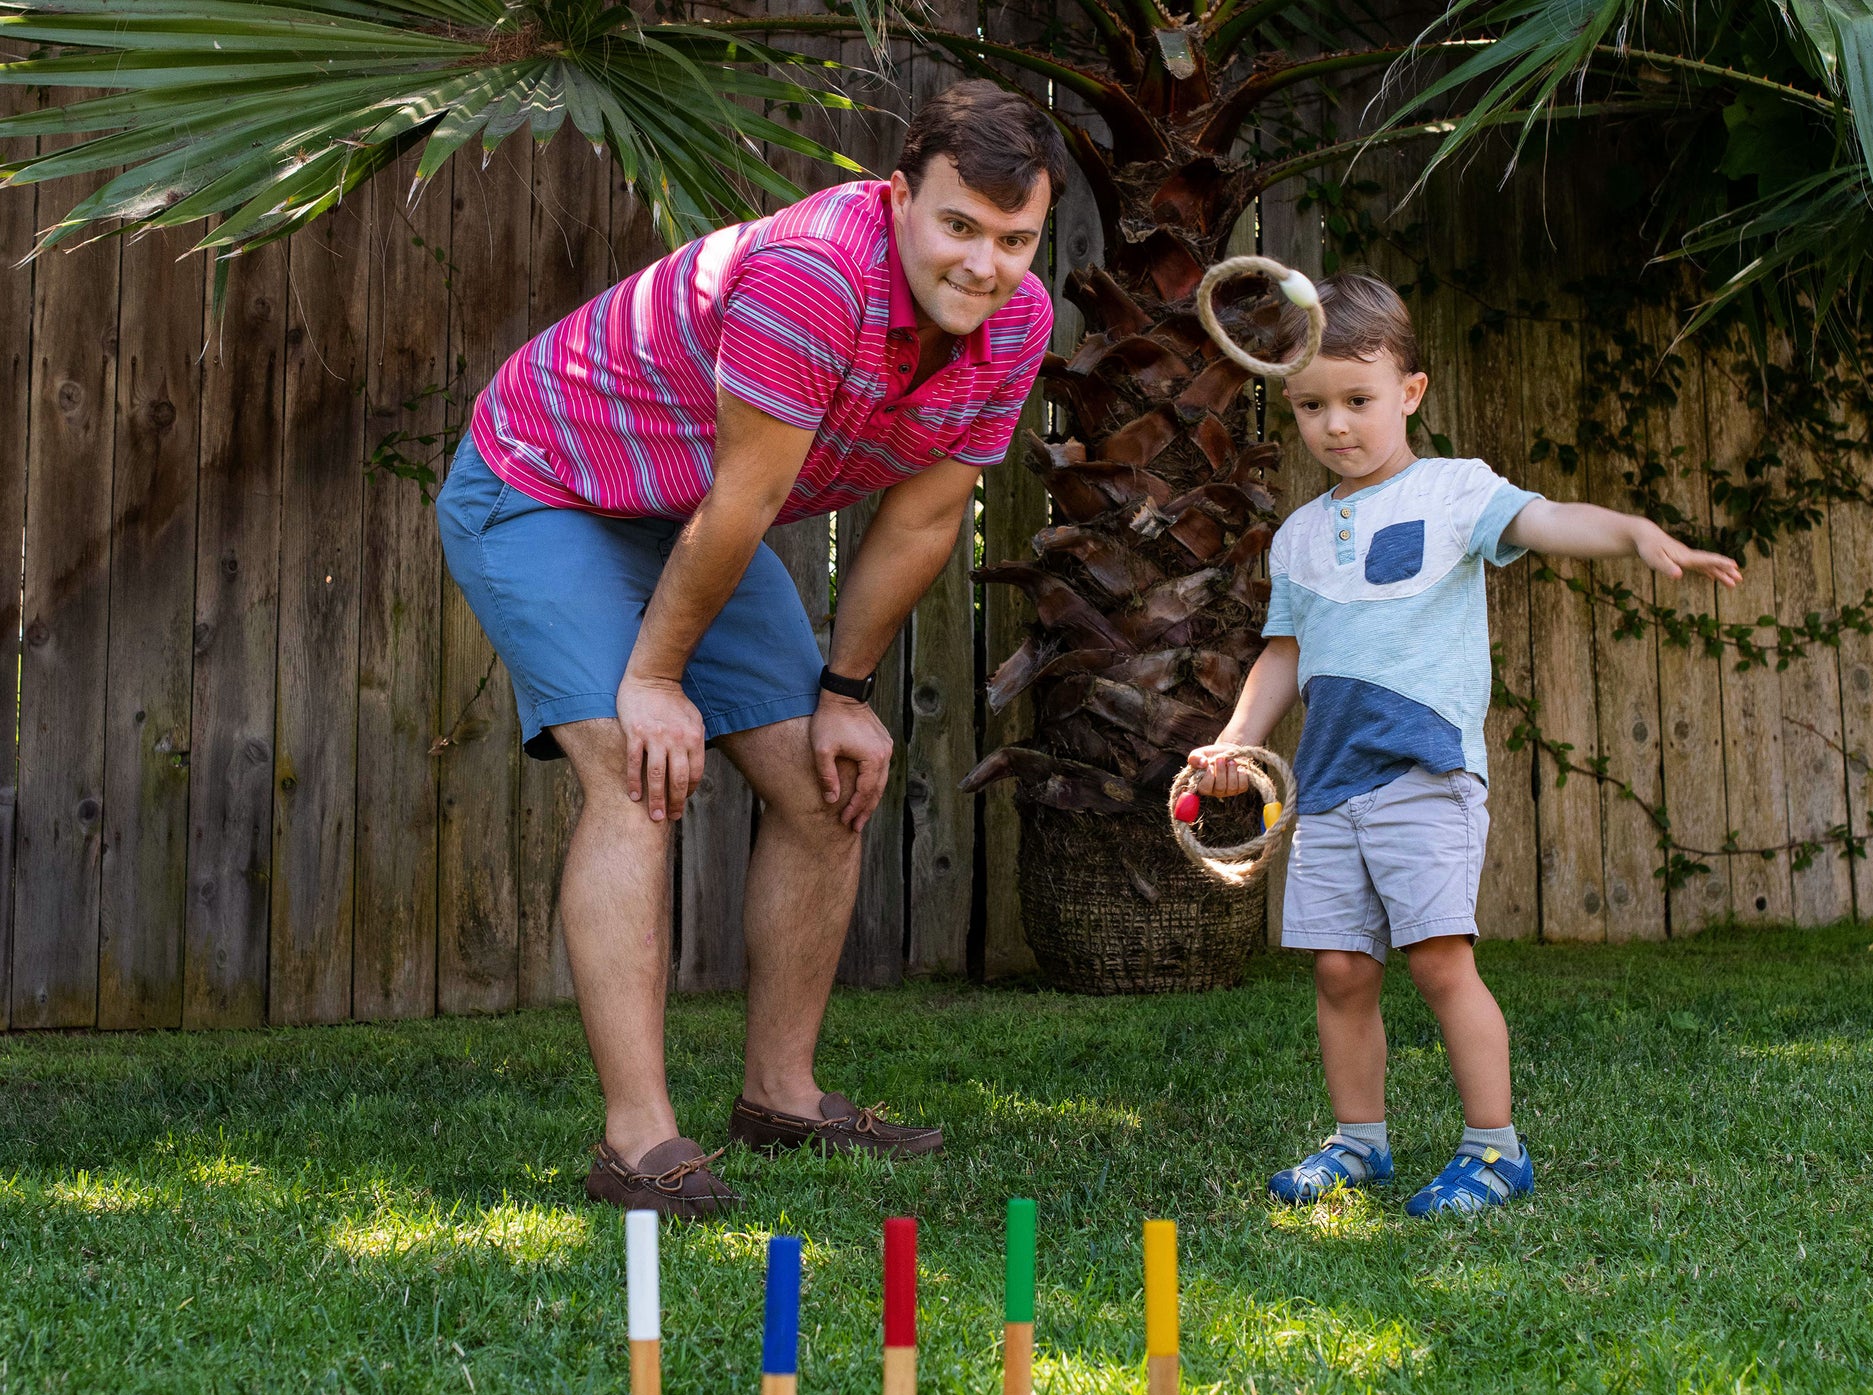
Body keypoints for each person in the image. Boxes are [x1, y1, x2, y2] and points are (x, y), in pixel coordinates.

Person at [435, 84, 1063, 1218]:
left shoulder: (1014, 324)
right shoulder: (811, 277)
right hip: (548, 486)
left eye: (1015, 239)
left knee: (825, 788)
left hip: (688, 514)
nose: (984, 264)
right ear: (897, 199)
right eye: (958, 226)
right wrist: (653, 680)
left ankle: (780, 1095)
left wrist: (844, 692)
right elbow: (744, 501)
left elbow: (924, 519)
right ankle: (638, 1143)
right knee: (638, 770)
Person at [1188, 274, 1742, 1218]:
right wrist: (1237, 737)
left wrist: (1632, 533)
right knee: (1339, 968)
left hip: (1424, 774)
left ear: (1411, 391)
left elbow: (1546, 520)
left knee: (1441, 960)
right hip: (1325, 787)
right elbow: (1284, 653)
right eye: (1312, 405)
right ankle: (1358, 1142)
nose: (1335, 425)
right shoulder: (1298, 537)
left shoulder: (1454, 490)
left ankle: (1495, 1150)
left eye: (1358, 401)